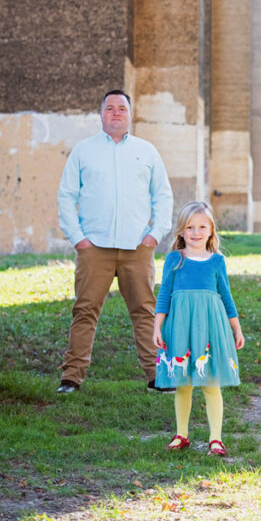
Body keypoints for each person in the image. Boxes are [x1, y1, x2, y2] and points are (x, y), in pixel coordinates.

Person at [56, 90, 174, 394]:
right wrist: (78, 238)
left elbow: (162, 195)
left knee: (145, 311)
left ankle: (157, 375)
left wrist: (154, 234)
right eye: (110, 108)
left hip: (137, 247)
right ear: (101, 114)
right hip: (94, 247)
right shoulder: (83, 151)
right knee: (84, 310)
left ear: (131, 115)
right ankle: (72, 377)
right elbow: (66, 196)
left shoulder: (147, 151)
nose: (116, 113)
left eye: (122, 108)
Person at [153, 201, 245, 456]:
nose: (196, 232)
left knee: (211, 382)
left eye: (202, 226)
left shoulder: (217, 261)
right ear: (181, 231)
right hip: (180, 325)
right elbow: (164, 295)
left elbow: (226, 297)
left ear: (211, 230)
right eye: (189, 227)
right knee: (182, 382)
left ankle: (216, 438)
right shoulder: (175, 259)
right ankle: (181, 434)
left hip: (210, 325)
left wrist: (236, 329)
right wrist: (157, 327)